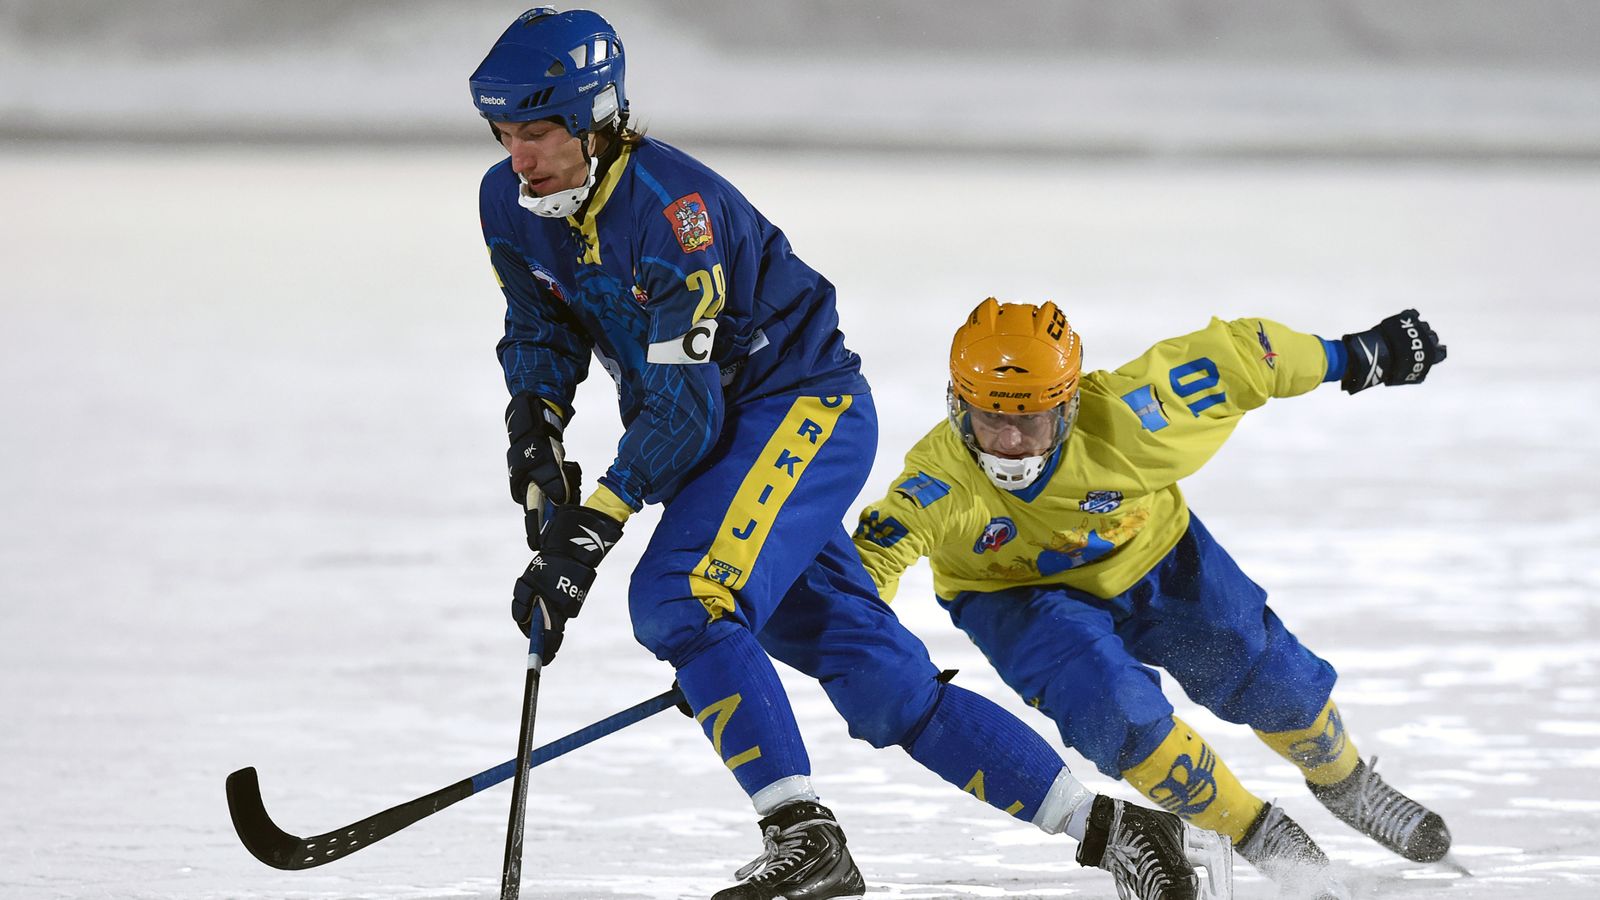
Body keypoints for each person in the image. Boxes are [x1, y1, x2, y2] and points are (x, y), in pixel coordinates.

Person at [469, 8, 1230, 899]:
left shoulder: (677, 216)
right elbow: (540, 322)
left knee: (680, 598)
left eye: (539, 132)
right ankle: (1123, 832)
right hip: (727, 438)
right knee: (882, 684)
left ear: (598, 118)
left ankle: (804, 836)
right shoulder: (506, 203)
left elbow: (684, 409)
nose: (519, 157)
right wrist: (536, 428)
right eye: (505, 133)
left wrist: (590, 532)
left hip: (799, 412)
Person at [851, 299, 1454, 897]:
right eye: (990, 417)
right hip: (1017, 597)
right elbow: (874, 555)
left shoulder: (1135, 417)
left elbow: (1246, 355)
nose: (1010, 441)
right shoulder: (937, 481)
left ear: (1071, 406)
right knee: (1115, 711)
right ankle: (1256, 833)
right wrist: (849, 627)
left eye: (1031, 419)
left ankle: (1345, 781)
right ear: (958, 406)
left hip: (1156, 556)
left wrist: (1353, 356)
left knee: (1275, 679)